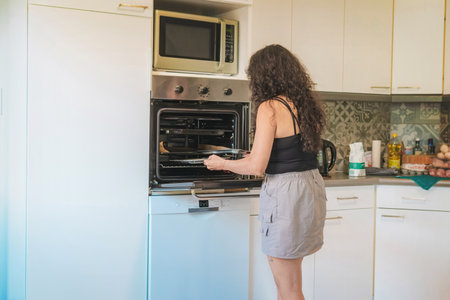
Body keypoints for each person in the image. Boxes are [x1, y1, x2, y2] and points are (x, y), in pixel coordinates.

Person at [204, 44, 327, 300]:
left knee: (289, 288)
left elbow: (255, 168)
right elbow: (292, 151)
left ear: (263, 76)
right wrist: (259, 155)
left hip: (286, 194)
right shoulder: (306, 105)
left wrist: (221, 163)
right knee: (290, 282)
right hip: (310, 187)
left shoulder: (269, 107)